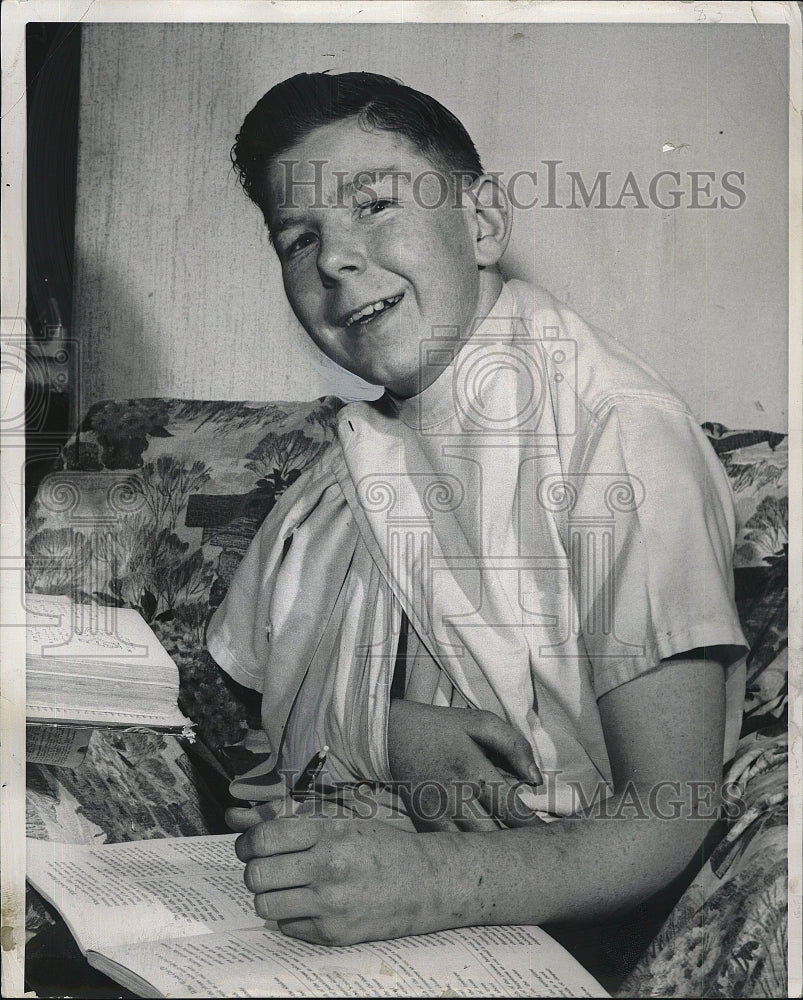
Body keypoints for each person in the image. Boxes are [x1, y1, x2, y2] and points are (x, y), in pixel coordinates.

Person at [207, 72, 748, 947]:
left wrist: (430, 883)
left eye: (375, 204)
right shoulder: (357, 453)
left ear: (484, 223)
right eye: (298, 239)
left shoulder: (618, 437)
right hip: (344, 875)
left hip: (539, 912)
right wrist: (387, 735)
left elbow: (668, 813)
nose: (335, 259)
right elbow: (248, 708)